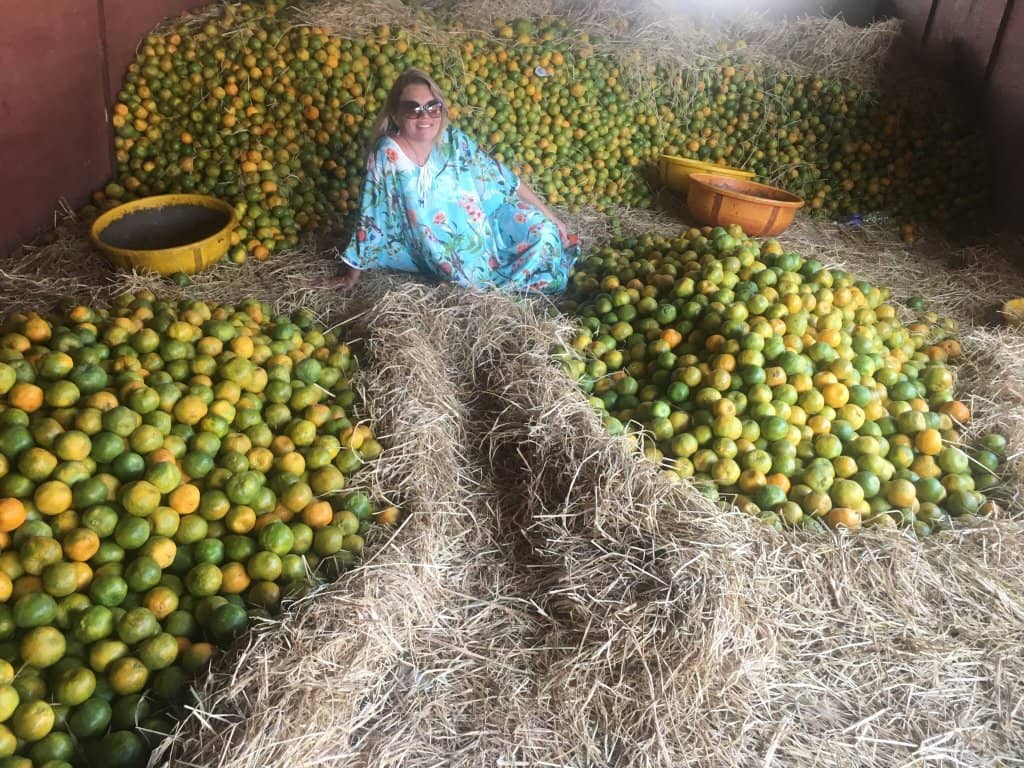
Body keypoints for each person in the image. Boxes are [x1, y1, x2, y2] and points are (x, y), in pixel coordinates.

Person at [330, 69, 579, 294]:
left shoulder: (452, 139)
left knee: (544, 232)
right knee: (470, 278)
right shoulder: (388, 153)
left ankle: (507, 278)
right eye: (412, 109)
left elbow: (504, 177)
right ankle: (495, 284)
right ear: (395, 115)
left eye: (433, 107)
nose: (425, 116)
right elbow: (371, 213)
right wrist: (351, 274)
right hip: (444, 248)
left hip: (486, 226)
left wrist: (552, 218)